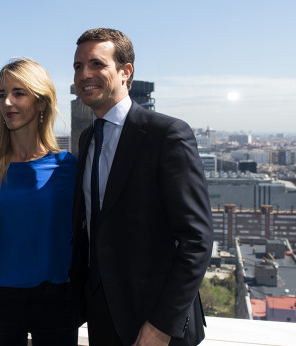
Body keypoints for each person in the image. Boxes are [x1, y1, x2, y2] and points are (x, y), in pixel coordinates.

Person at [69, 28, 214, 346]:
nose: (85, 74)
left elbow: (197, 241)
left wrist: (161, 325)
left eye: (97, 64)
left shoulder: (166, 135)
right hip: (102, 314)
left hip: (155, 323)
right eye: (79, 66)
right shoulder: (88, 138)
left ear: (125, 71)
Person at [0, 57, 78, 346]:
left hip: (57, 298)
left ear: (42, 103)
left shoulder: (69, 167)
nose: (7, 103)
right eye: (2, 95)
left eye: (19, 93)